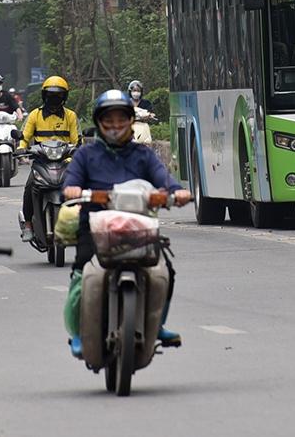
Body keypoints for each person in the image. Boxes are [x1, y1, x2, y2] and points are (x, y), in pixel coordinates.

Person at [61, 90, 192, 358]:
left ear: (131, 121)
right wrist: (73, 190)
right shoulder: (86, 155)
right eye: (109, 120)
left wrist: (176, 191)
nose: (115, 126)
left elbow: (162, 177)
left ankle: (158, 325)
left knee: (164, 272)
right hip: (95, 228)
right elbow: (70, 183)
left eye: (121, 119)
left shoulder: (143, 155)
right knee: (82, 274)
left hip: (138, 226)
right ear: (99, 122)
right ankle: (77, 332)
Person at [17, 75, 80, 242]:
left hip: (65, 162)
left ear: (64, 97)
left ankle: (80, 223)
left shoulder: (71, 116)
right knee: (30, 187)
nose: (54, 98)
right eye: (51, 95)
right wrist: (21, 148)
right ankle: (29, 225)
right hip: (41, 161)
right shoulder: (34, 115)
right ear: (44, 96)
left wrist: (78, 151)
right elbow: (24, 136)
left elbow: (77, 140)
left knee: (80, 188)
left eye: (58, 95)